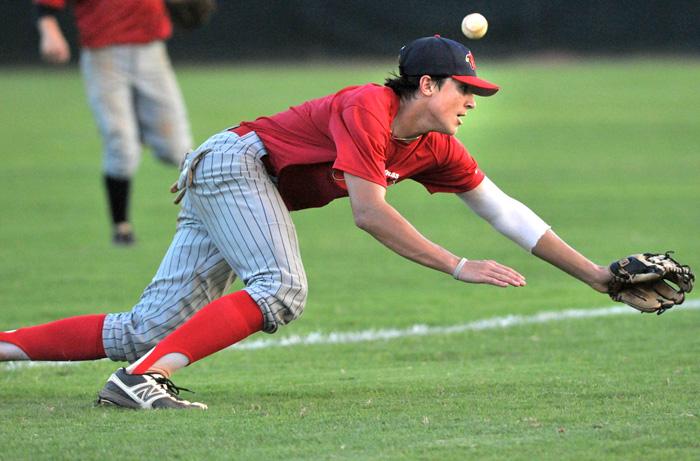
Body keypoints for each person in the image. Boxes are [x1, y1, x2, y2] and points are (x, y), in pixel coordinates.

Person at [0, 36, 613, 410]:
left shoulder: (435, 148)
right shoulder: (368, 105)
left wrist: (599, 278)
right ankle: (140, 382)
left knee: (147, 329)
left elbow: (507, 212)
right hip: (236, 166)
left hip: (241, 181)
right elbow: (368, 213)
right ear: (425, 84)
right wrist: (455, 264)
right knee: (281, 288)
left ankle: (97, 362)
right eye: (464, 88)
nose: (473, 100)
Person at [34, 0, 193, 245]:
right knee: (121, 144)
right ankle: (122, 227)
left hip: (152, 50)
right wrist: (48, 27)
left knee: (177, 150)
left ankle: (212, 217)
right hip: (104, 53)